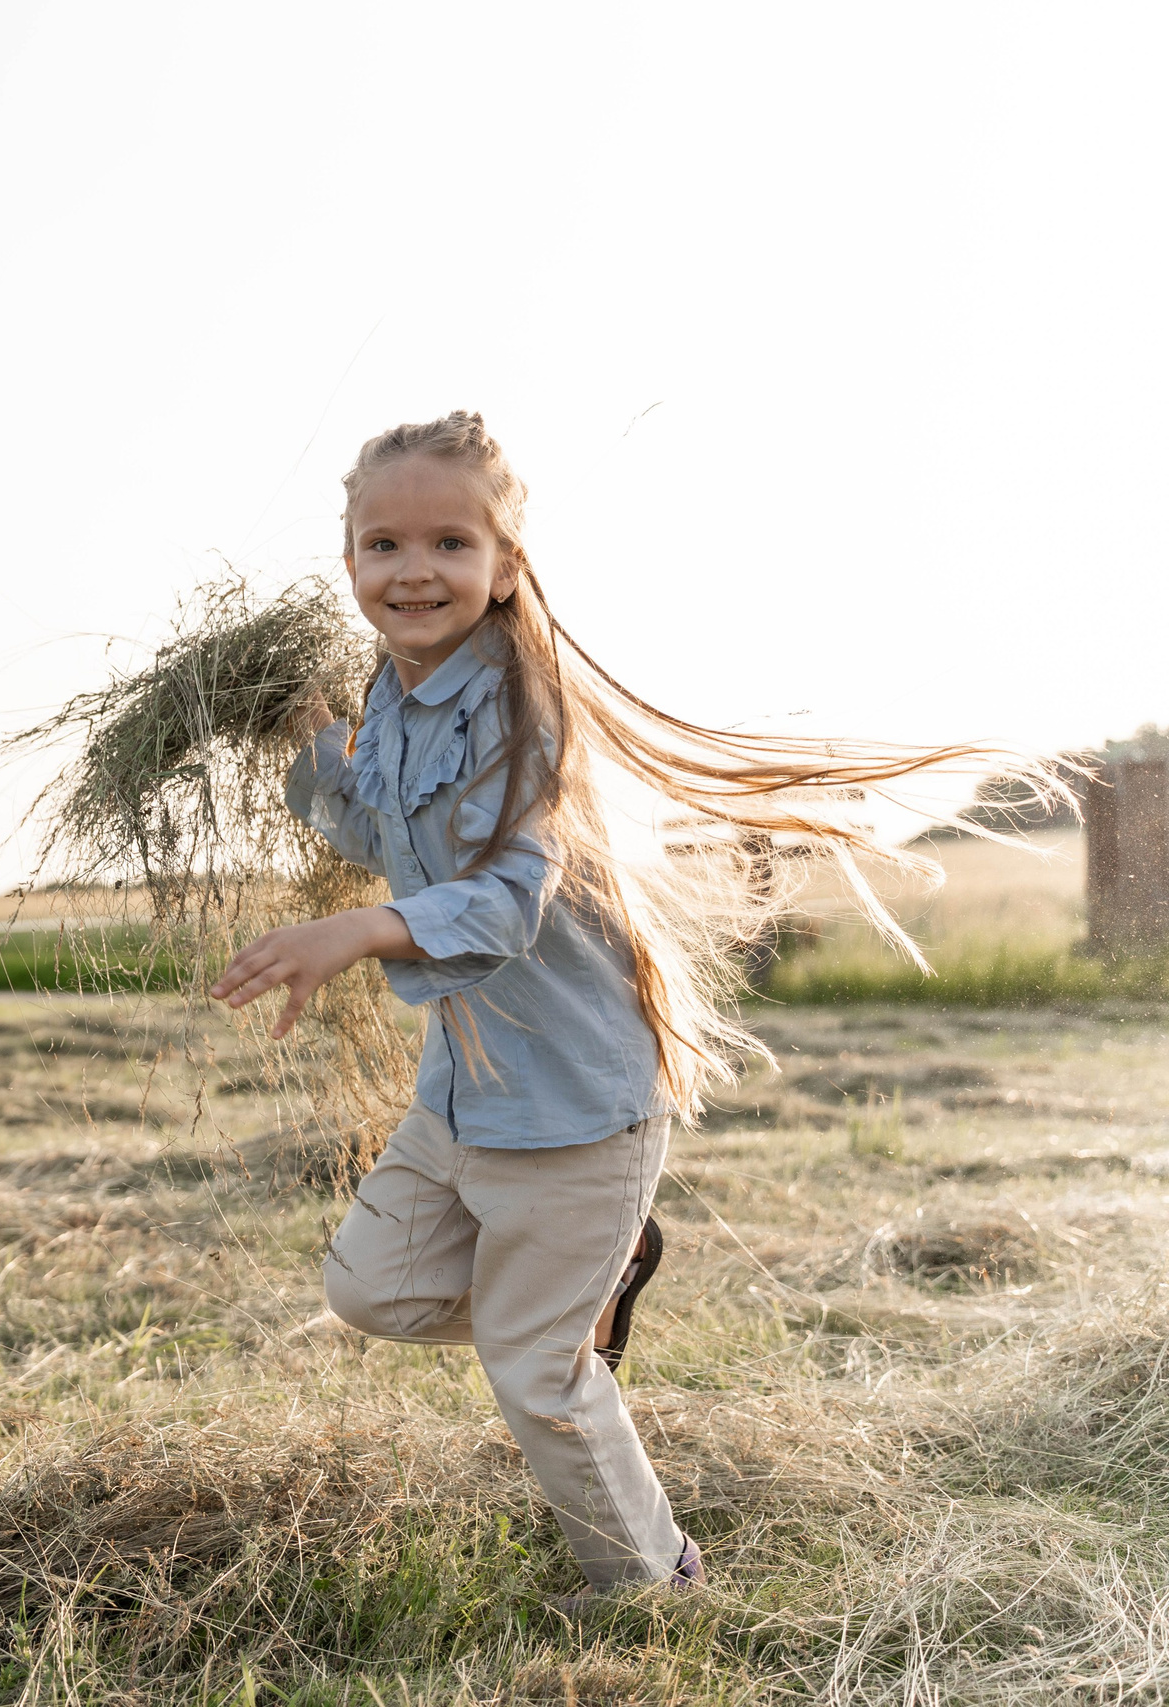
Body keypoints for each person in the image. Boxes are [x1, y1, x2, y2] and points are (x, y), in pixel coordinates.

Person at [208, 411, 1059, 1600]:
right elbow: (374, 829)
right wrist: (310, 748)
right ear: (346, 563)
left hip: (575, 1104)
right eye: (381, 545)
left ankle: (651, 1582)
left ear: (506, 565)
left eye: (449, 543)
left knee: (535, 1368)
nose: (413, 571)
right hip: (464, 1090)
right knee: (368, 1287)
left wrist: (353, 931)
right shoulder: (393, 697)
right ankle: (595, 1282)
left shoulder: (528, 710)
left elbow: (502, 906)